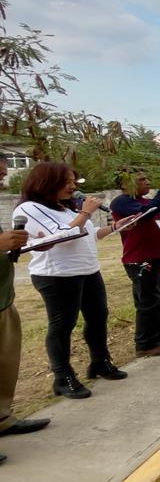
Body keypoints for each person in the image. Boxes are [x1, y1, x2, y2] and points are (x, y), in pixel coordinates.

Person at [13, 162, 125, 400]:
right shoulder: (29, 208)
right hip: (57, 275)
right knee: (62, 325)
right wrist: (85, 213)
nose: (72, 187)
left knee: (98, 316)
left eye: (74, 182)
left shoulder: (66, 208)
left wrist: (116, 227)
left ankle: (99, 362)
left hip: (87, 270)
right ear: (46, 182)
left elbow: (89, 233)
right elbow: (60, 235)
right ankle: (62, 377)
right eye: (67, 182)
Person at [1, 158, 50, 461]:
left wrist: (25, 244)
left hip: (3, 299)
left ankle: (3, 418)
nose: (3, 180)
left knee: (5, 366)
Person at [111, 170, 160, 356]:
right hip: (140, 259)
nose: (147, 182)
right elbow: (146, 215)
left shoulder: (148, 201)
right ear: (125, 185)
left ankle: (156, 335)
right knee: (147, 301)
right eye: (142, 180)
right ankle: (145, 344)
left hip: (159, 256)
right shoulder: (122, 201)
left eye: (147, 178)